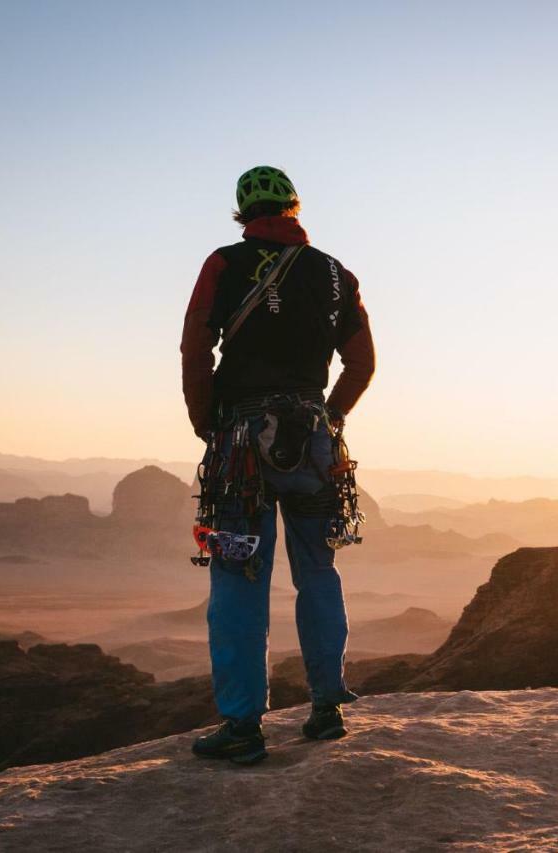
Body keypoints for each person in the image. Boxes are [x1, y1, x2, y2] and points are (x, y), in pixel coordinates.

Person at [180, 166, 375, 763]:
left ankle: (242, 728)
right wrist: (330, 416)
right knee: (318, 571)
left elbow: (195, 346)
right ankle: (326, 708)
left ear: (244, 213)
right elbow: (362, 363)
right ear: (293, 207)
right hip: (314, 445)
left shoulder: (223, 264)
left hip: (241, 446)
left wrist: (205, 422)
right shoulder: (337, 275)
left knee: (240, 581)